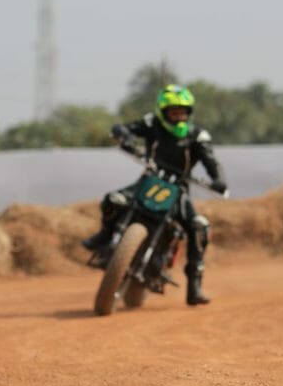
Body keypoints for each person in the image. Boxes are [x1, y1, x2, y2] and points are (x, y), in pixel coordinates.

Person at [82, 84, 227, 306]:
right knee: (113, 199)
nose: (178, 116)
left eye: (183, 111)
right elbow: (125, 129)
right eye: (173, 111)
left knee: (199, 227)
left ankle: (194, 287)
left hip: (179, 190)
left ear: (189, 113)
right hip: (149, 181)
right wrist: (124, 136)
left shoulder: (198, 136)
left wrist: (218, 179)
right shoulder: (152, 124)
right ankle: (104, 236)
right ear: (163, 111)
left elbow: (211, 161)